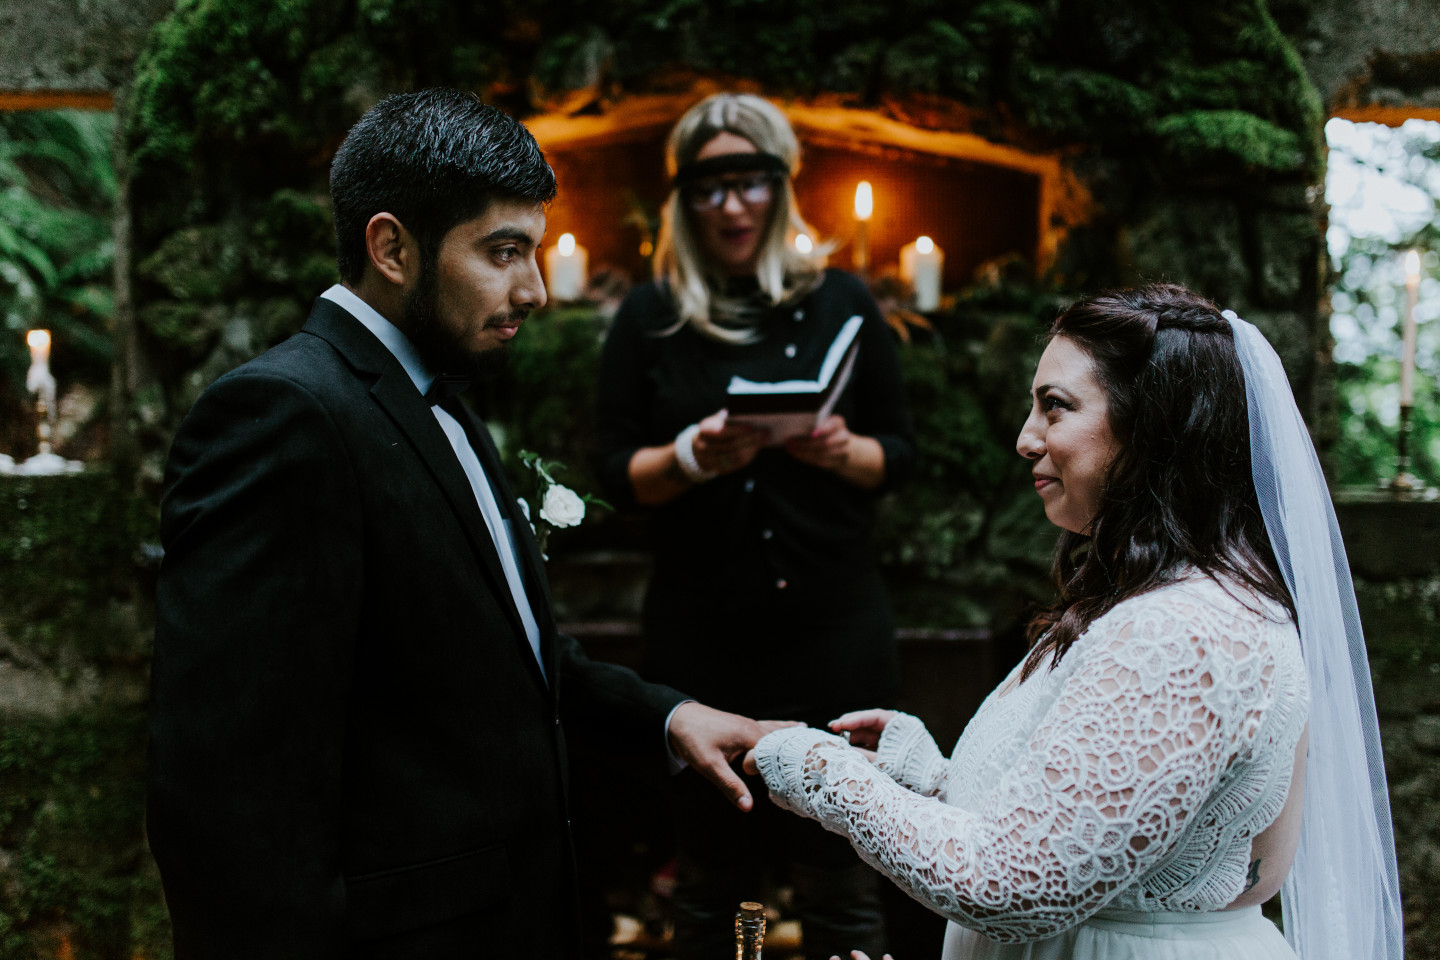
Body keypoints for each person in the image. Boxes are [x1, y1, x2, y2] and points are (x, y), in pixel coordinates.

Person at [146, 89, 780, 960]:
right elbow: (224, 792)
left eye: (536, 250)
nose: (536, 289)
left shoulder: (437, 398)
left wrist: (670, 720)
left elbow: (507, 663)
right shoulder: (283, 415)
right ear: (392, 247)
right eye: (503, 252)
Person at [747, 284, 1405, 960]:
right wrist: (927, 776)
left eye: (1054, 407)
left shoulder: (1185, 633)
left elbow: (1014, 883)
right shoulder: (1158, 600)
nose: (1025, 438)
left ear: (1152, 428)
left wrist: (819, 769)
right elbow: (1094, 825)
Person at [593, 92, 916, 959]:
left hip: (835, 638)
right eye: (709, 186)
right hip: (705, 647)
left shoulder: (843, 302)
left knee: (838, 883)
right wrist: (693, 458)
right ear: (682, 199)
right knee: (717, 889)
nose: (730, 204)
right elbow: (612, 474)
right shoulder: (649, 316)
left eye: (749, 181)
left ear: (781, 187)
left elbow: (901, 454)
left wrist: (844, 451)